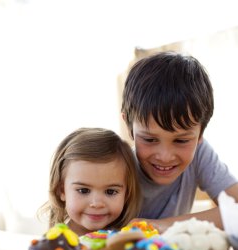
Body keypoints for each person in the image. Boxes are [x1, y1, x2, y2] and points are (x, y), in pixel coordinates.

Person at [121, 51, 238, 233]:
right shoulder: (116, 164)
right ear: (129, 128)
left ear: (200, 136)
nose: (165, 156)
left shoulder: (200, 153)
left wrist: (161, 226)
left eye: (181, 140)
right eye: (150, 139)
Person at [39, 127, 141, 236]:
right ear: (62, 191)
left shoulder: (131, 239)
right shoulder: (53, 246)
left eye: (110, 191)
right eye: (84, 190)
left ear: (126, 194)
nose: (97, 204)